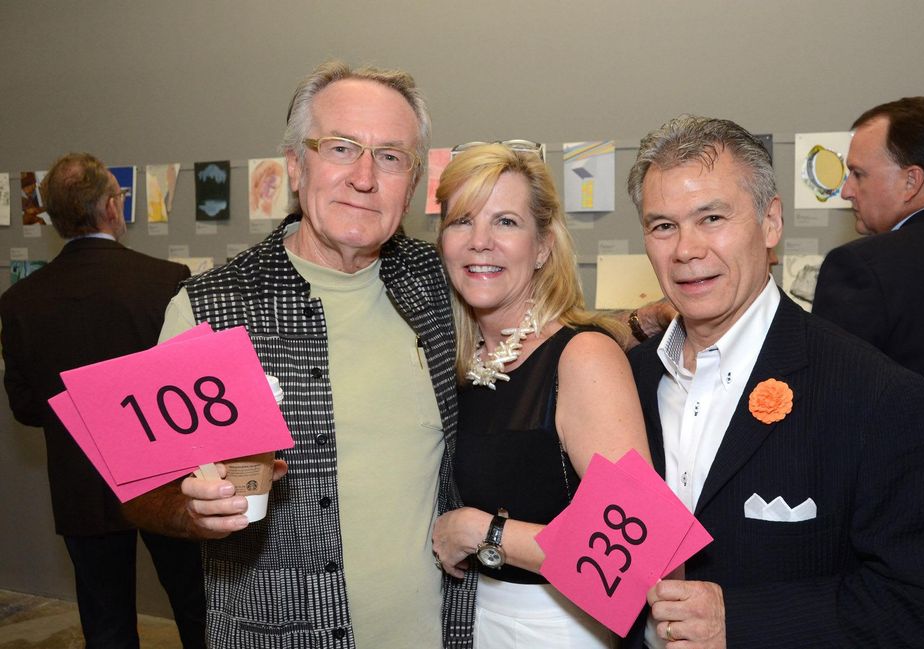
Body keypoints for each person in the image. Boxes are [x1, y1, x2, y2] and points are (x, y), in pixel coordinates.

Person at [122, 61, 476, 648]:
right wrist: (191, 512)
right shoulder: (212, 308)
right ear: (294, 164)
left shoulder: (440, 285)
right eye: (341, 148)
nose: (364, 177)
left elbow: (536, 326)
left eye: (391, 157)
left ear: (413, 183)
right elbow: (139, 486)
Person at [622, 116, 924, 648]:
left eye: (711, 217)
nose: (686, 250)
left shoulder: (874, 395)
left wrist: (740, 622)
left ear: (771, 223)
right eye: (663, 226)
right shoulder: (629, 381)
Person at [430, 143, 651, 648]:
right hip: (467, 618)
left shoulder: (583, 356)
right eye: (462, 221)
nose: (480, 242)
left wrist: (480, 531)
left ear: (544, 246)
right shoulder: (456, 362)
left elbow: (634, 543)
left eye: (505, 222)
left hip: (557, 627)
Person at [0, 152, 205, 648]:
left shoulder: (20, 300)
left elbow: (25, 407)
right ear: (112, 207)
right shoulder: (165, 280)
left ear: (53, 218)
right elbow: (192, 387)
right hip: (165, 477)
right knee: (197, 611)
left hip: (81, 480)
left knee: (106, 624)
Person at [812, 96, 924, 646]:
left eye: (859, 173)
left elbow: (827, 422)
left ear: (911, 181)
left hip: (898, 557)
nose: (845, 190)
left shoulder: (862, 269)